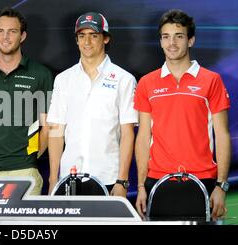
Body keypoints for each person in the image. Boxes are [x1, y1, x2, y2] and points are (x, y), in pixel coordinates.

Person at [134, 9, 231, 219]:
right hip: (157, 181)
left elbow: (222, 134)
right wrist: (141, 185)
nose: (172, 43)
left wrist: (221, 186)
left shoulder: (211, 80)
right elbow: (143, 136)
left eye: (179, 36)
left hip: (202, 180)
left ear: (191, 40)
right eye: (166, 37)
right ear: (160, 41)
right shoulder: (146, 83)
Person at [47, 12, 137, 197]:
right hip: (69, 177)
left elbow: (128, 133)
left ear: (105, 38)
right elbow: (56, 131)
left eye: (93, 35)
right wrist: (53, 179)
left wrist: (122, 180)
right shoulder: (63, 79)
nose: (87, 42)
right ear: (77, 40)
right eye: (82, 36)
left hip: (109, 178)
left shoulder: (124, 79)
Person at [0, 7, 53, 195]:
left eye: (12, 31)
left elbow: (47, 127)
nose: (5, 37)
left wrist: (31, 157)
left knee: (25, 224)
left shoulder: (41, 74)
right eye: (0, 31)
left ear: (22, 36)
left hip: (25, 170)